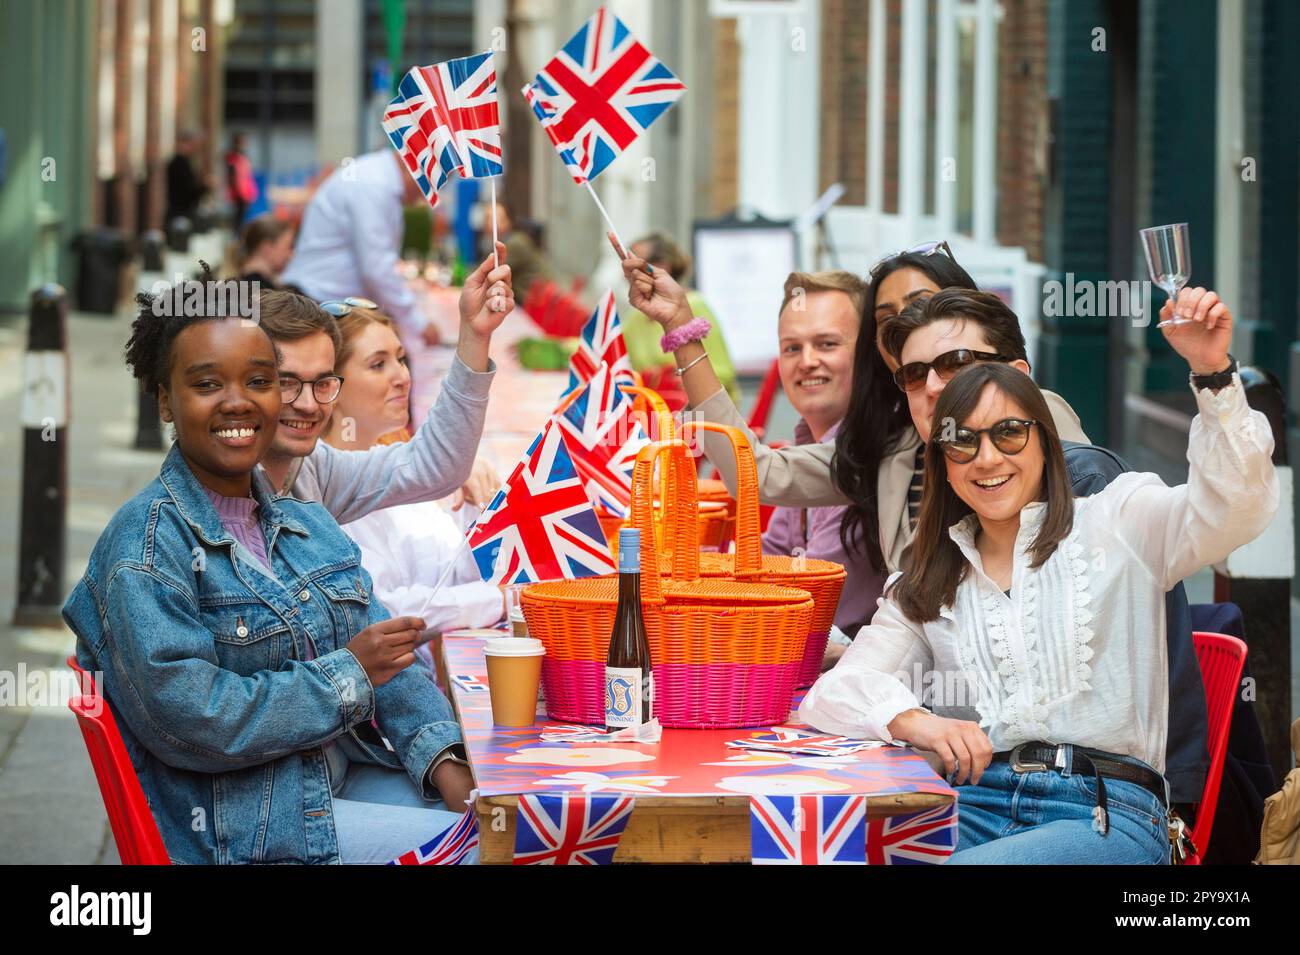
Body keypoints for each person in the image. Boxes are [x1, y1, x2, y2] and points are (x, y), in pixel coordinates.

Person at [614, 237, 1213, 812]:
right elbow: (761, 475)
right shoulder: (901, 445)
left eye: (946, 344)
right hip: (958, 763)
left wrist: (1216, 379)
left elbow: (1126, 618)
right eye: (895, 327)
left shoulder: (1054, 452)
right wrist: (681, 330)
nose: (990, 457)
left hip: (1080, 787)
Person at [799, 288, 1275, 863]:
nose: (988, 458)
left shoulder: (1119, 517)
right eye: (962, 442)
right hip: (971, 802)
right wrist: (914, 721)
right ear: (943, 464)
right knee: (810, 849)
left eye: (1008, 433)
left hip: (1105, 811)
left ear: (1044, 437)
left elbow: (1237, 505)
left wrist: (1211, 371)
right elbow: (834, 694)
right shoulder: (927, 578)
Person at [62, 282, 477, 864]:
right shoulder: (146, 549)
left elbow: (386, 653)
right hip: (247, 829)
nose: (238, 402)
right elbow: (194, 721)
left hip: (328, 780)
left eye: (258, 381)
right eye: (208, 384)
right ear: (164, 400)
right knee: (483, 849)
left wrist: (446, 764)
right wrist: (346, 674)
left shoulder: (300, 516)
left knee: (513, 826)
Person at [256, 241, 511, 521]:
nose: (307, 403)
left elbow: (435, 465)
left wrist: (475, 335)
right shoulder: (216, 491)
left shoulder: (317, 469)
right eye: (287, 383)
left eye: (321, 382)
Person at [322, 304, 507, 636]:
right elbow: (384, 613)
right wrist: (495, 599)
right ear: (328, 388)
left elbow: (450, 568)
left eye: (401, 358)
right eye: (378, 365)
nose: (402, 376)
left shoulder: (392, 464)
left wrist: (474, 505)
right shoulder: (321, 490)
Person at [758, 270, 879, 662]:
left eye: (827, 344)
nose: (807, 362)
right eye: (792, 348)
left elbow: (801, 606)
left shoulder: (874, 454)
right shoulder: (807, 443)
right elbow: (767, 560)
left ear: (868, 356)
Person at [282, 149, 445, 348]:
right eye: (432, 184)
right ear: (417, 167)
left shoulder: (376, 179)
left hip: (326, 302)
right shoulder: (372, 185)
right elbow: (376, 269)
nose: (429, 196)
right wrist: (418, 322)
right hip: (319, 304)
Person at [620, 232, 739, 402]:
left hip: (700, 413)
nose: (627, 274)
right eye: (625, 266)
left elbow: (724, 373)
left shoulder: (694, 305)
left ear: (662, 267)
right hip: (655, 411)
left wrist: (676, 380)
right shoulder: (636, 317)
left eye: (634, 266)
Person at [164, 129, 211, 226]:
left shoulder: (182, 161)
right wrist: (205, 186)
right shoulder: (180, 163)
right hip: (181, 212)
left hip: (182, 210)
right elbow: (187, 190)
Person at [236, 214, 294, 290]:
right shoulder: (263, 290)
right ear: (267, 248)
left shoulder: (239, 285)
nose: (291, 254)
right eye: (288, 247)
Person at [224, 131, 258, 230]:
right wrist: (239, 193)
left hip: (245, 192)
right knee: (238, 218)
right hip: (240, 193)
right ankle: (237, 237)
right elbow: (233, 177)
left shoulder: (242, 156)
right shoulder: (233, 158)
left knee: (243, 218)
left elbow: (247, 176)